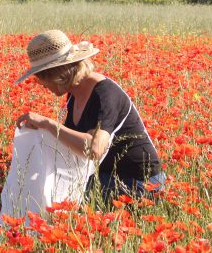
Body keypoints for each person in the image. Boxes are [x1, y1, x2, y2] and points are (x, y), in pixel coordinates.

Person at [15, 29, 164, 204]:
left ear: (59, 74)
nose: (42, 85)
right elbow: (71, 143)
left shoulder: (105, 95)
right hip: (107, 175)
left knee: (65, 195)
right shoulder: (74, 93)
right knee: (48, 187)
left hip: (140, 182)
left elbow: (94, 149)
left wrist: (48, 124)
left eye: (42, 78)